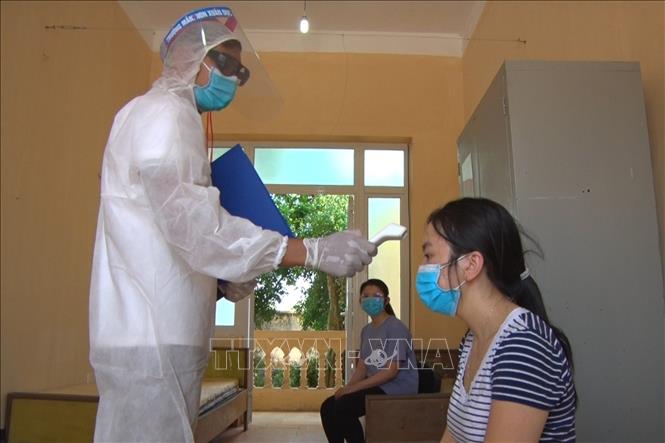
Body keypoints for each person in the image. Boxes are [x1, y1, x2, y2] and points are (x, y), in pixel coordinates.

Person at [88, 7, 376, 443]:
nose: (232, 78)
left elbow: (167, 233)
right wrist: (309, 250)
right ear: (187, 56)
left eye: (239, 71)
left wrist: (220, 282)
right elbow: (197, 228)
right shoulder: (164, 114)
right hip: (151, 333)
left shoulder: (163, 117)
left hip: (158, 329)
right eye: (223, 61)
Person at [415, 197, 576, 442]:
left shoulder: (523, 347)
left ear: (471, 264)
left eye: (429, 255)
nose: (422, 267)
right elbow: (454, 435)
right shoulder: (472, 339)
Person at [320, 278, 418, 443]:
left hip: (397, 387)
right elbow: (361, 369)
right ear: (360, 301)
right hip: (377, 385)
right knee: (328, 407)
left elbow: (391, 372)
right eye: (366, 296)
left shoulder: (396, 327)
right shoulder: (366, 331)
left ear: (386, 300)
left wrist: (353, 389)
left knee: (344, 407)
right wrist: (347, 388)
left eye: (376, 295)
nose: (370, 299)